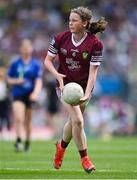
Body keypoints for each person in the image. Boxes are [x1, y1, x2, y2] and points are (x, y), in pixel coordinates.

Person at [44, 6, 107, 173]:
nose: (70, 23)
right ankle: (85, 159)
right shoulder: (60, 38)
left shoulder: (95, 43)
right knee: (78, 121)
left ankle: (61, 146)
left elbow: (93, 73)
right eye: (69, 20)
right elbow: (48, 61)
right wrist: (58, 75)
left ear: (85, 23)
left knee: (73, 122)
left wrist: (87, 94)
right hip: (64, 86)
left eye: (74, 20)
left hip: (83, 88)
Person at [7, 39, 43, 152]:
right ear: (21, 49)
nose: (27, 50)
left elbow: (38, 81)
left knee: (28, 121)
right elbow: (8, 79)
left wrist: (35, 93)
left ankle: (27, 142)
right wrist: (16, 81)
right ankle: (18, 141)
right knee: (18, 118)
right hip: (18, 94)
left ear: (31, 49)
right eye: (24, 48)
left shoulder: (35, 64)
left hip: (30, 95)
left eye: (28, 48)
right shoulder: (15, 63)